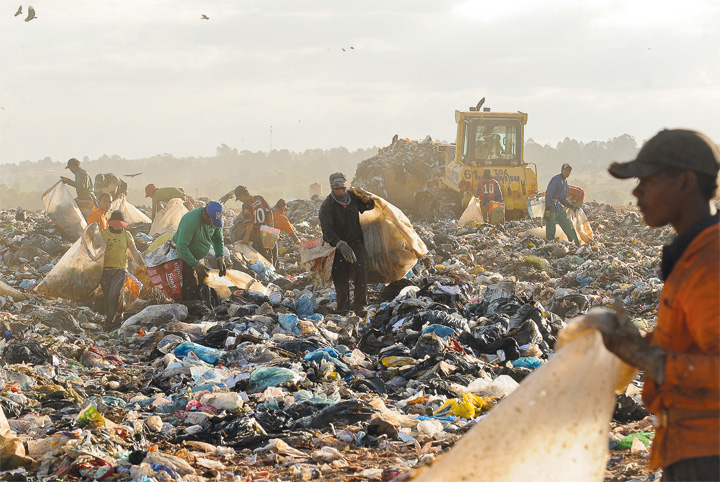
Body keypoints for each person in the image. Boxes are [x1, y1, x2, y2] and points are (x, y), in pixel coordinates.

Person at [589, 129, 719, 481]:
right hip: (689, 448)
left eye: (648, 180)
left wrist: (649, 359)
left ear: (686, 181)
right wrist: (640, 343)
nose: (636, 191)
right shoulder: (693, 254)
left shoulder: (711, 261)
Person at [319, 173, 375, 314]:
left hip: (356, 243)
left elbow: (369, 207)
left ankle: (360, 305)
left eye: (343, 188)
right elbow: (327, 230)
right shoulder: (327, 206)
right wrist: (340, 244)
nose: (341, 192)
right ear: (332, 188)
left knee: (361, 269)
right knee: (340, 277)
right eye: (337, 189)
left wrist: (365, 197)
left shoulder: (353, 199)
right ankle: (343, 307)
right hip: (338, 248)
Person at [172, 201, 226, 301]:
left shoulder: (214, 219)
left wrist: (220, 256)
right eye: (211, 221)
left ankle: (198, 302)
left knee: (201, 281)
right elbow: (182, 247)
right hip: (183, 256)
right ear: (204, 214)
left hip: (198, 257)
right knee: (190, 284)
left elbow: (218, 238)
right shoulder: (191, 221)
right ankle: (188, 307)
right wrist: (195, 265)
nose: (212, 225)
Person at [100, 211, 145, 329]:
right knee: (107, 296)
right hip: (104, 271)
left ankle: (108, 322)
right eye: (115, 223)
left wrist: (143, 266)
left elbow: (135, 252)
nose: (117, 226)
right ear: (110, 223)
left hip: (120, 270)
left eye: (119, 224)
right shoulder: (103, 234)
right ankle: (110, 317)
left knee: (113, 295)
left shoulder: (127, 235)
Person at [231, 186, 275, 260]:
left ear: (241, 195)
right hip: (266, 232)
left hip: (256, 234)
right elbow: (269, 213)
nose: (240, 201)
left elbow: (249, 222)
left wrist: (246, 238)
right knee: (268, 255)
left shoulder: (246, 205)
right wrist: (271, 227)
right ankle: (272, 270)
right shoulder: (260, 198)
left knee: (258, 257)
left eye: (239, 198)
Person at [544, 163, 580, 245]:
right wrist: (548, 209)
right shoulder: (556, 179)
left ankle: (576, 245)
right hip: (552, 206)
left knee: (568, 226)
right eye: (566, 170)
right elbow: (549, 193)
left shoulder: (565, 181)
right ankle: (550, 246)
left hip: (559, 207)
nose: (567, 173)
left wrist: (572, 207)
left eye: (569, 171)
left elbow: (563, 199)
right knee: (551, 229)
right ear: (562, 170)